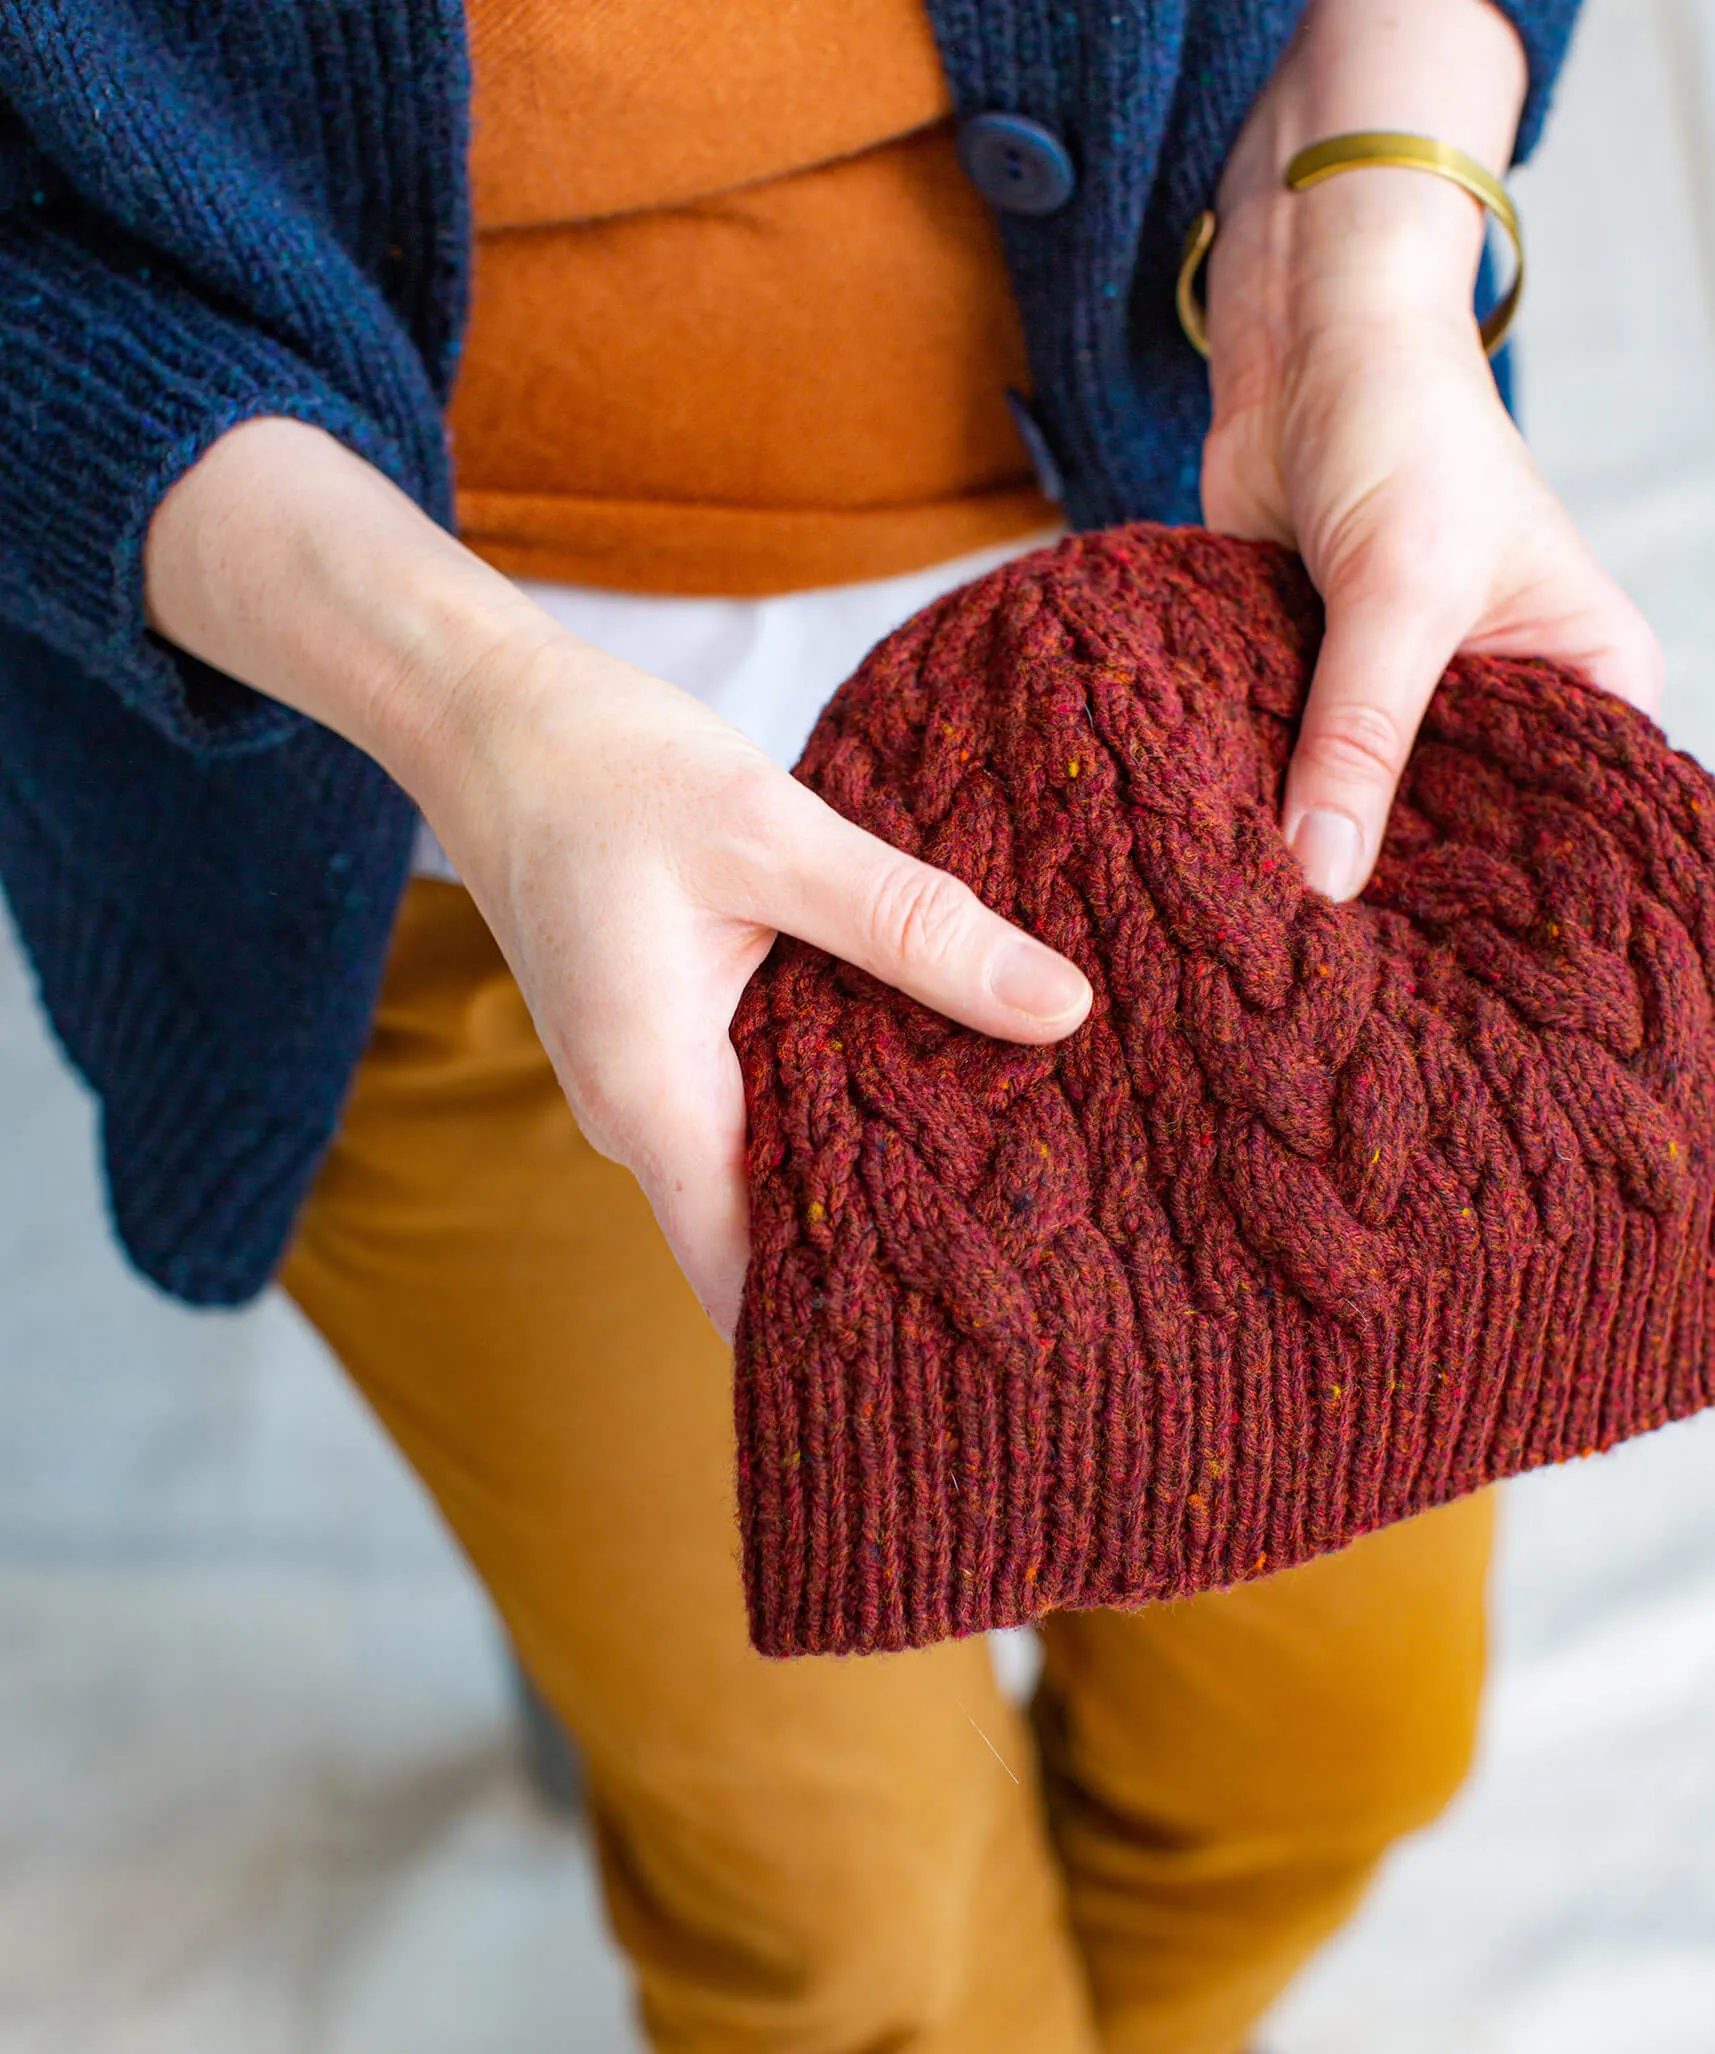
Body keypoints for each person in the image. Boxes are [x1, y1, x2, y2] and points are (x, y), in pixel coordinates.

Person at [0, 0, 1663, 2048]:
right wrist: (461, 710)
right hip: (437, 819)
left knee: (1329, 1750)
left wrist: (1375, 233)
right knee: (848, 1938)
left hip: (1236, 754)